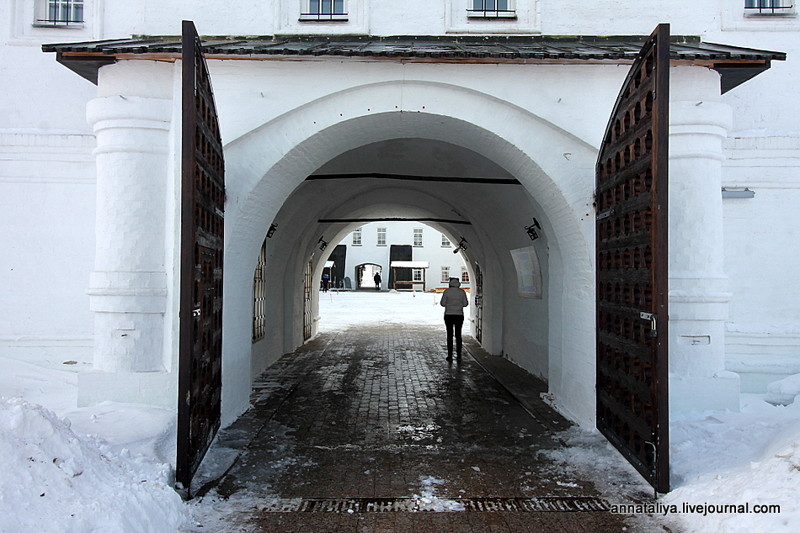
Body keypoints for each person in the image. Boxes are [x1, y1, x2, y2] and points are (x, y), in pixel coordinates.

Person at [440, 277, 469, 362]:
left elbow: (443, 303)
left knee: (449, 335)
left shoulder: (447, 291)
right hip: (459, 315)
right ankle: (459, 355)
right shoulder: (462, 292)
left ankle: (450, 355)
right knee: (458, 335)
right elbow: (465, 304)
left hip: (448, 315)